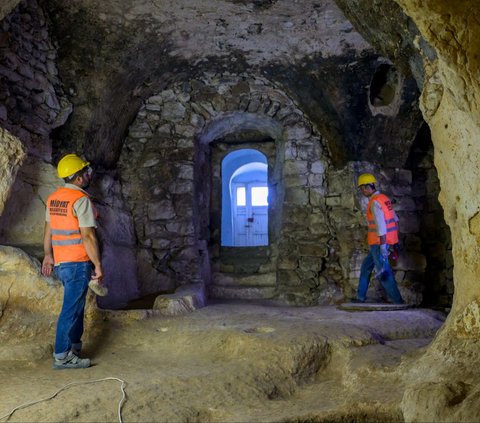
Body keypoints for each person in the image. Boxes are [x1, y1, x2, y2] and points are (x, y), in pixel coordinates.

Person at [41, 153, 104, 369]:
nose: (88, 175)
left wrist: (48, 255)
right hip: (78, 262)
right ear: (77, 178)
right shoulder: (81, 200)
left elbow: (48, 228)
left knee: (75, 307)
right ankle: (62, 356)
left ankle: (74, 347)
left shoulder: (54, 198)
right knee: (71, 308)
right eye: (85, 172)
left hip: (61, 262)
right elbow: (88, 236)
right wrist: (97, 265)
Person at [353, 173, 404, 304]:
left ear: (366, 187)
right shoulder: (384, 198)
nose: (362, 191)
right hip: (385, 241)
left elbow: (381, 226)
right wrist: (394, 241)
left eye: (362, 188)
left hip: (378, 243)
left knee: (383, 271)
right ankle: (360, 297)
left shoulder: (375, 203)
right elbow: (395, 220)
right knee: (366, 267)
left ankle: (398, 301)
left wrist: (382, 247)